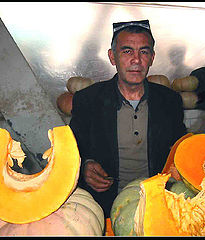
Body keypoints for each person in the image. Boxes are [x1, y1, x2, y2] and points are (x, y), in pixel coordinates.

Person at [70, 19, 187, 218]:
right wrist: (84, 168)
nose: (136, 60)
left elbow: (180, 147)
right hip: (104, 206)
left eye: (143, 51)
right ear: (112, 56)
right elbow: (73, 150)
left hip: (157, 202)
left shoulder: (170, 100)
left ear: (152, 57)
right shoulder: (87, 100)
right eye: (127, 51)